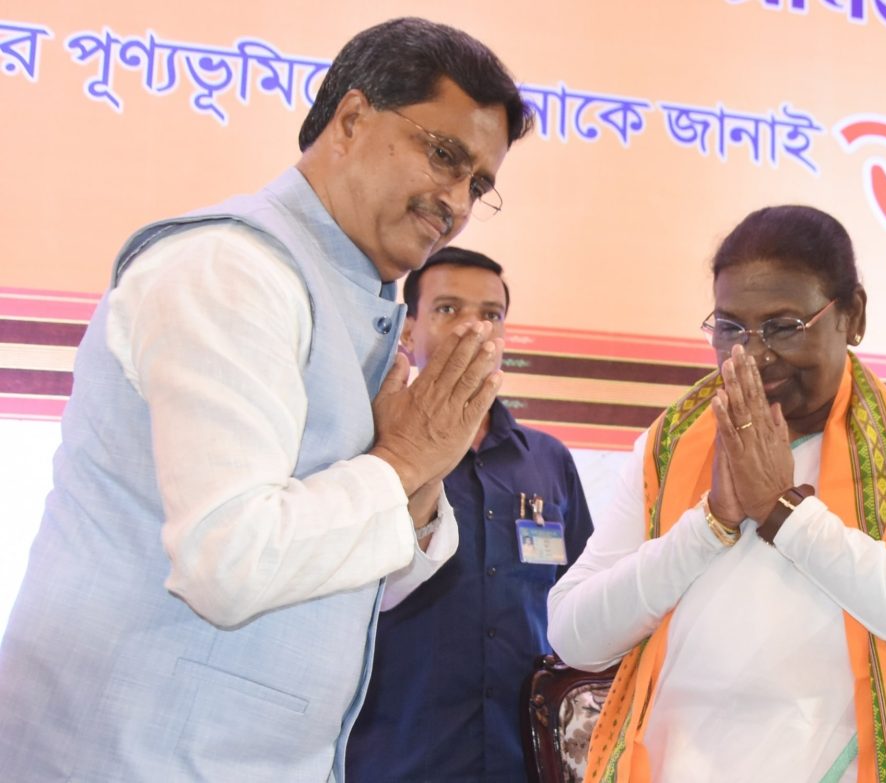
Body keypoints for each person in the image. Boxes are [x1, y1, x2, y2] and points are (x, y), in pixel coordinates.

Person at [0, 17, 532, 782]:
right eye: (443, 155)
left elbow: (362, 581)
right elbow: (230, 560)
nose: (455, 200)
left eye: (477, 184)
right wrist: (404, 459)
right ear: (351, 120)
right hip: (125, 756)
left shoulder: (356, 299)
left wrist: (416, 484)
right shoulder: (231, 269)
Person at [546, 205, 886, 782]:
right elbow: (574, 635)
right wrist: (711, 523)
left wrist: (788, 515)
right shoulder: (670, 446)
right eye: (730, 328)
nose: (753, 354)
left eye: (783, 326)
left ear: (852, 317)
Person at [347, 247, 594, 783]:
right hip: (394, 759)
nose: (473, 328)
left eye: (490, 314)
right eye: (448, 309)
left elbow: (584, 601)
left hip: (524, 762)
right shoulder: (369, 447)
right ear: (408, 329)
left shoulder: (548, 461)